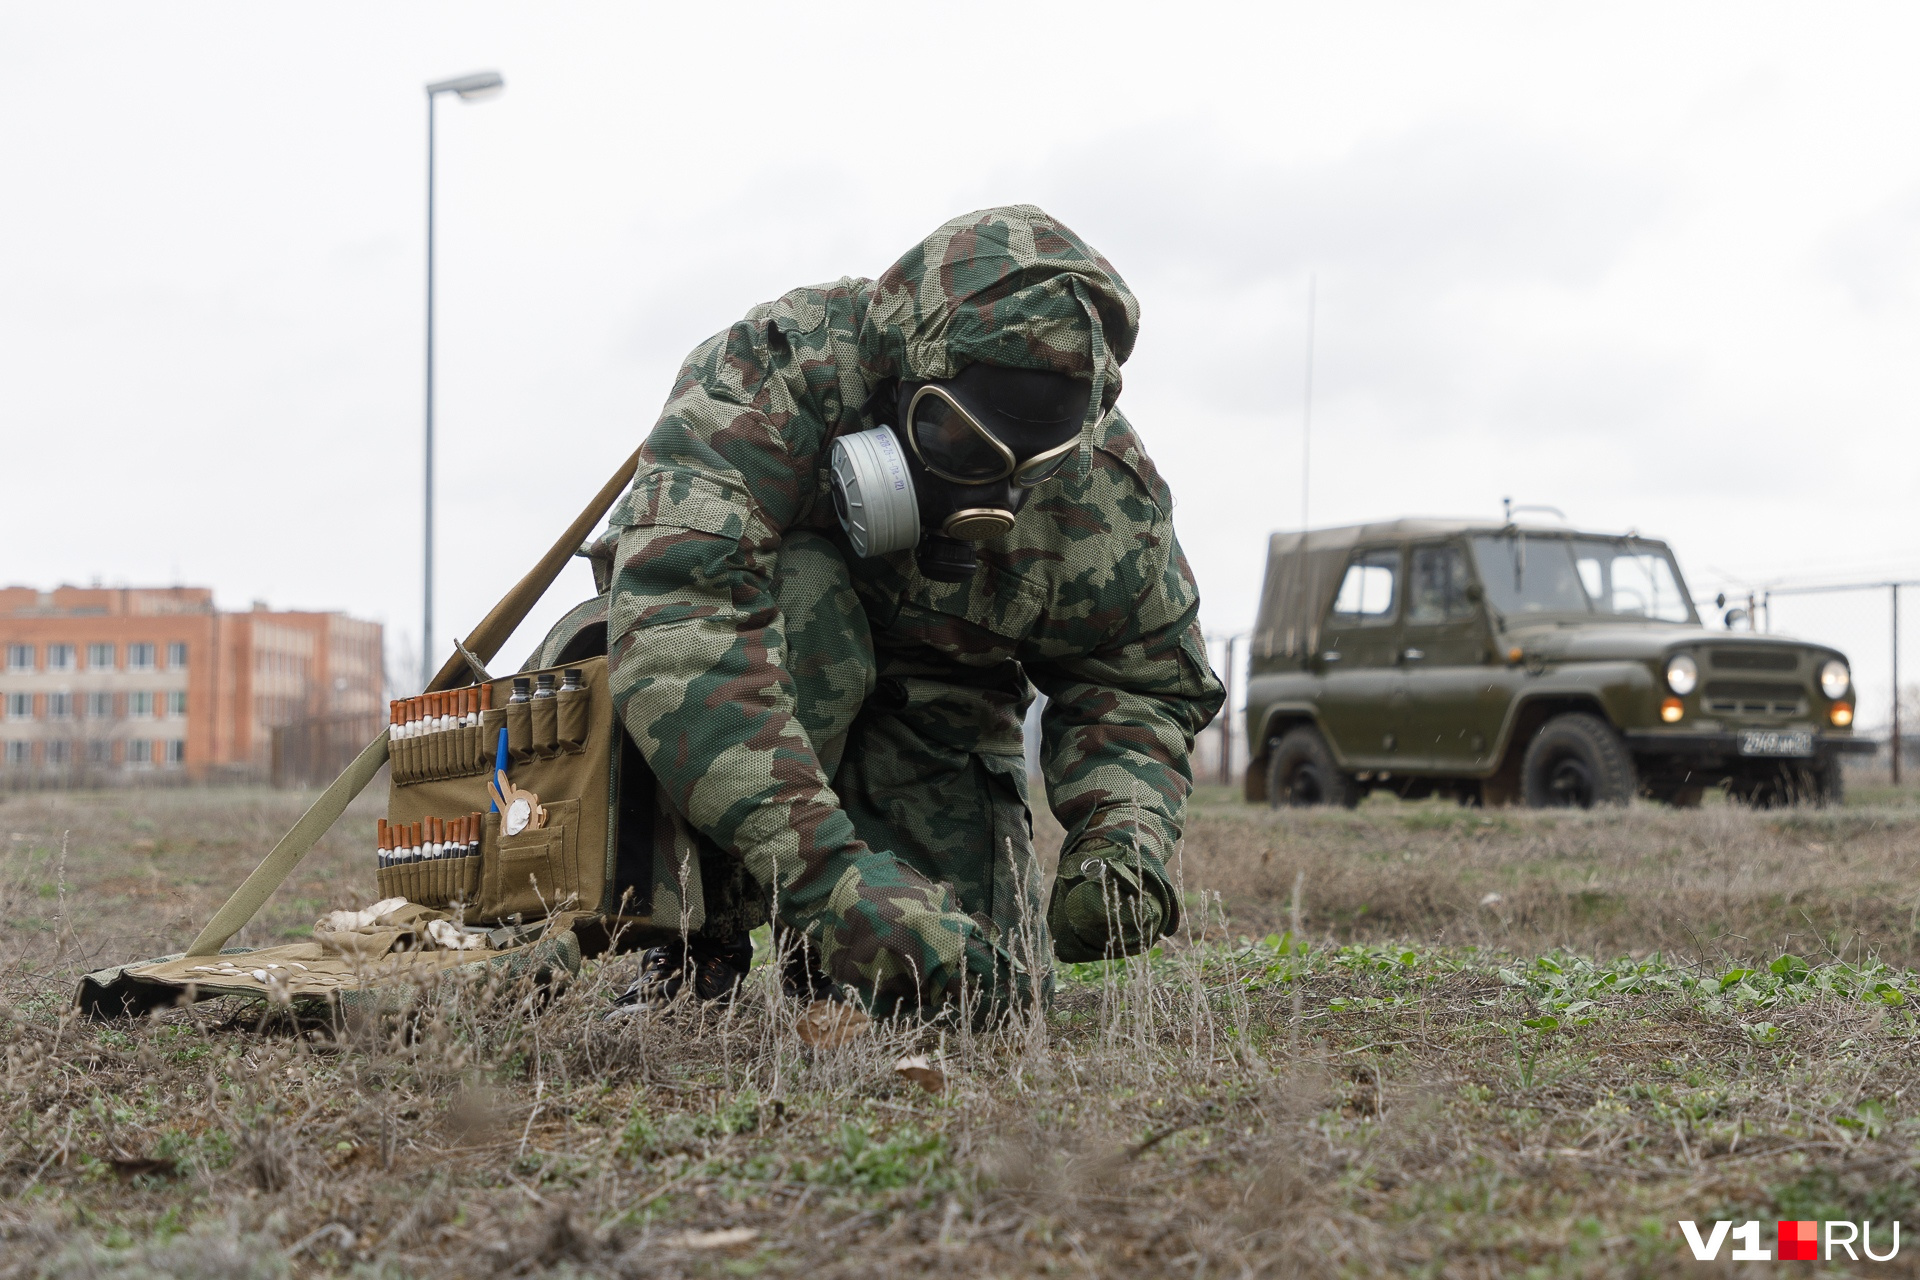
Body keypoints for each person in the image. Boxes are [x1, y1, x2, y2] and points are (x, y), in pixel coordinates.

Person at [545, 205, 1222, 1022]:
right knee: (803, 592)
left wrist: (1127, 834)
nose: (992, 498)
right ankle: (698, 949)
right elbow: (682, 624)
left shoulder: (1105, 491)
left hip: (941, 725)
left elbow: (1140, 678)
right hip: (777, 666)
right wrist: (825, 878)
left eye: (1029, 470)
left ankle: (830, 960)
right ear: (898, 380)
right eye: (960, 446)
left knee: (976, 999)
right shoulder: (770, 380)